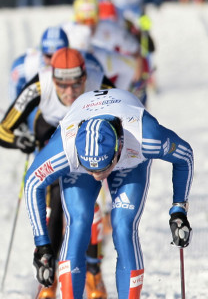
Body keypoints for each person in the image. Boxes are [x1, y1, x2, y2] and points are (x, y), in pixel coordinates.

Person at [25, 88, 194, 299]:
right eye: (91, 169)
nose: (97, 176)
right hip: (88, 154)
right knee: (78, 223)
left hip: (130, 160)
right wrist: (42, 245)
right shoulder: (64, 148)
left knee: (123, 226)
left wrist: (179, 208)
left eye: (102, 169)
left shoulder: (146, 137)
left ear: (118, 147)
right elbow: (32, 183)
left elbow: (185, 155)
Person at [0, 48, 115, 299]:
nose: (70, 92)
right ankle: (49, 278)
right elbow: (2, 132)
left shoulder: (99, 81)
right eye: (62, 85)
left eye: (76, 84)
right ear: (53, 78)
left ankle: (92, 272)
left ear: (85, 77)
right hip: (52, 142)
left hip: (85, 149)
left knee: (87, 209)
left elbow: (127, 112)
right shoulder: (39, 84)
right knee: (55, 207)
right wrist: (21, 141)